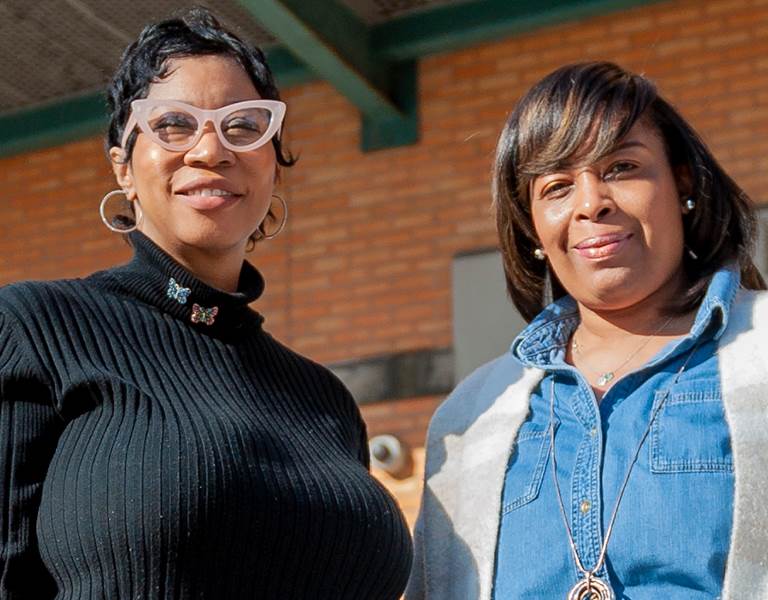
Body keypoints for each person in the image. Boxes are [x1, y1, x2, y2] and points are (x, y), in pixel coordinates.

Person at [0, 8, 411, 599]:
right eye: (174, 124)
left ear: (273, 167)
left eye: (244, 125)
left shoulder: (325, 400)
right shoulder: (35, 329)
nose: (212, 149)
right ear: (123, 166)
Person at [407, 61, 768, 599]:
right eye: (557, 186)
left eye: (621, 167)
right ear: (531, 225)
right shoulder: (471, 413)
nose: (590, 203)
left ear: (683, 183)